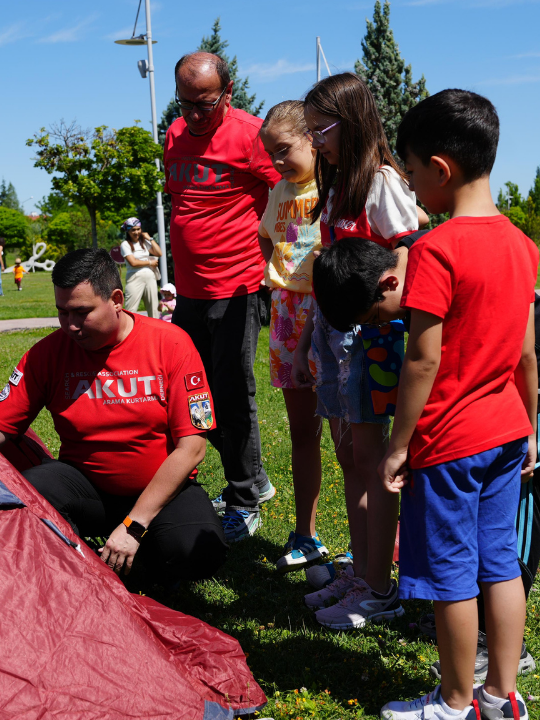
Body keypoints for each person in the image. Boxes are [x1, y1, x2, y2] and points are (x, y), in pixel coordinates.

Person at [315, 235, 540, 685]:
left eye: (376, 317)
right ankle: (476, 621)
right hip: (490, 382)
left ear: (386, 284)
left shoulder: (438, 261)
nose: (386, 325)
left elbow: (513, 348)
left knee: (517, 496)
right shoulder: (403, 261)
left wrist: (526, 414)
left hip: (538, 376)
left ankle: (500, 641)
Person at [364, 89, 537, 720]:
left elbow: (422, 360)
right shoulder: (521, 244)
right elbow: (524, 354)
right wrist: (530, 430)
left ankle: (456, 701)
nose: (410, 188)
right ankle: (501, 696)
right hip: (507, 433)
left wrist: (399, 443)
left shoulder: (437, 251)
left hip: (451, 442)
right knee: (501, 564)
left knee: (451, 576)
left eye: (410, 173)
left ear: (441, 168)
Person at [0, 249, 227, 587]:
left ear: (117, 299)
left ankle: (119, 569)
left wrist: (134, 525)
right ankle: (81, 574)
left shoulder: (170, 343)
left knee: (199, 551)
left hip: (160, 492)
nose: (71, 326)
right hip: (87, 488)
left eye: (82, 312)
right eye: (62, 313)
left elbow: (192, 448)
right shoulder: (46, 354)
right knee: (30, 493)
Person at [292, 72, 427, 630]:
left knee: (374, 464)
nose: (315, 141)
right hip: (339, 339)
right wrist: (306, 342)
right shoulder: (338, 187)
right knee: (353, 461)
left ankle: (377, 585)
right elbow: (330, 273)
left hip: (378, 342)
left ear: (349, 124)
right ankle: (364, 568)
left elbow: (414, 246)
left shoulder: (380, 184)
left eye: (320, 129)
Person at [163, 51, 281, 543]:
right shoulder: (173, 134)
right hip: (190, 289)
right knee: (192, 393)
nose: (193, 115)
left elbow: (296, 194)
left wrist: (276, 268)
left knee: (232, 392)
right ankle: (251, 478)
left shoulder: (253, 134)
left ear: (228, 94)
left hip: (239, 284)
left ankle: (244, 499)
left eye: (205, 105)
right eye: (185, 103)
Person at [252, 100, 333, 577]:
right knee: (304, 433)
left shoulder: (331, 186)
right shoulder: (280, 190)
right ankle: (306, 533)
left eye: (284, 150)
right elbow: (268, 234)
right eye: (271, 154)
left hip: (327, 311)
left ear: (312, 139)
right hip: (287, 314)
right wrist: (278, 271)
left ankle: (376, 542)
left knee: (352, 437)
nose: (278, 162)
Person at [119, 217, 163, 318]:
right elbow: (133, 262)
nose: (136, 232)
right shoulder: (125, 244)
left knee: (154, 309)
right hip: (134, 278)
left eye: (138, 229)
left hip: (150, 277)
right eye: (133, 230)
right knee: (130, 310)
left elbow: (159, 253)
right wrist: (150, 263)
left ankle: (154, 332)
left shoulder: (144, 242)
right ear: (128, 231)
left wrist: (150, 238)